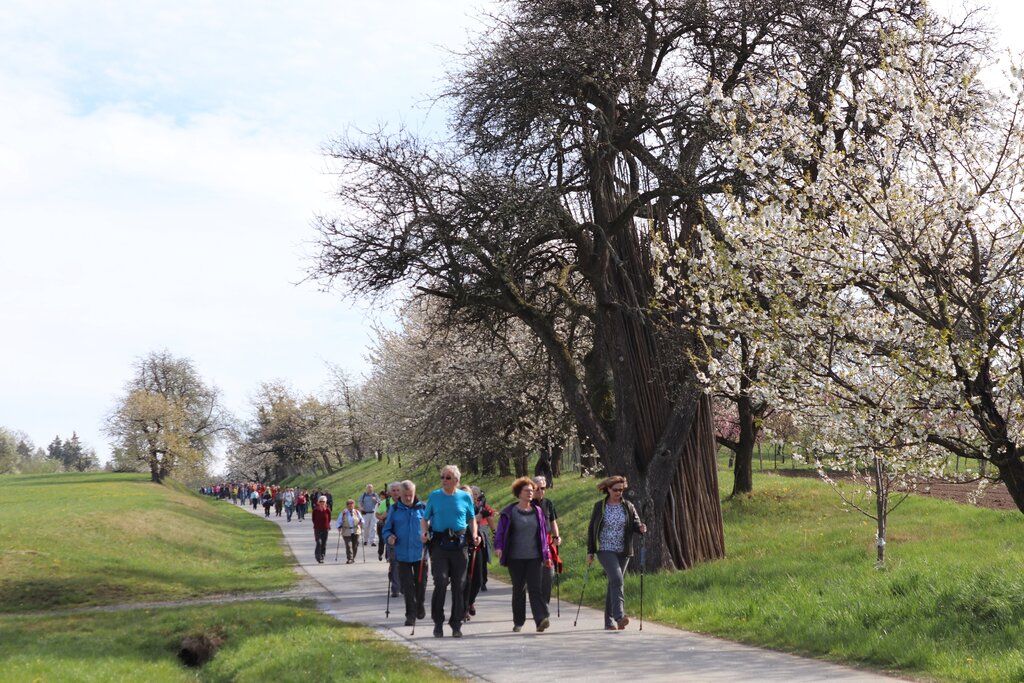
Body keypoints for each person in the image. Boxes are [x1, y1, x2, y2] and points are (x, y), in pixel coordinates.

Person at [420, 464, 478, 638]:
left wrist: (474, 534)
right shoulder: (435, 496)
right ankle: (438, 622)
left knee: (459, 585)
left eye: (448, 477)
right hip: (439, 543)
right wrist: (424, 532)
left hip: (460, 544)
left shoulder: (465, 497)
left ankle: (456, 623)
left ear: (457, 480)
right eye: (442, 477)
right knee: (441, 580)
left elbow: (472, 519)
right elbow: (425, 519)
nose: (444, 480)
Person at [586, 475, 647, 630]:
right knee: (617, 579)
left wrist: (640, 528)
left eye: (621, 490)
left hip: (624, 550)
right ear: (607, 489)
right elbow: (592, 529)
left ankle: (608, 622)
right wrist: (590, 551)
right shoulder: (599, 506)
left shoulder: (628, 506)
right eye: (615, 490)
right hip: (605, 549)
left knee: (613, 583)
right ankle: (619, 616)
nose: (619, 493)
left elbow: (635, 523)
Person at [493, 477, 552, 633]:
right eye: (527, 490)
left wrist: (547, 555)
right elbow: (500, 532)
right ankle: (518, 621)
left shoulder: (538, 511)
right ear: (519, 493)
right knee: (518, 589)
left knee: (535, 588)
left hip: (534, 557)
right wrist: (499, 547)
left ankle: (541, 619)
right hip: (515, 558)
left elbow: (543, 535)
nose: (530, 493)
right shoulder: (509, 512)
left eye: (532, 491)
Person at [382, 480, 428, 626]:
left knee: (421, 584)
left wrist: (429, 535)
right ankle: (410, 615)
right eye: (405, 495)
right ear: (400, 494)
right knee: (407, 587)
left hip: (420, 554)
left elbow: (432, 526)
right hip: (402, 555)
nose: (408, 498)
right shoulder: (394, 510)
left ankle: (420, 604)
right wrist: (389, 537)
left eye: (411, 495)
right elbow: (386, 529)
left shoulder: (423, 508)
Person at [532, 476, 561, 605]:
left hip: (547, 542)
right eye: (537, 489)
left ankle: (544, 604)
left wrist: (556, 536)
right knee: (535, 576)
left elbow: (553, 522)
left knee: (549, 575)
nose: (541, 491)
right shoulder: (527, 503)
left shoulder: (548, 503)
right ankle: (537, 603)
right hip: (532, 543)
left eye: (543, 488)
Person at [379, 482, 402, 594]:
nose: (396, 492)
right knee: (394, 562)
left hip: (404, 536)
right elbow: (377, 515)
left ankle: (403, 584)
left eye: (398, 490)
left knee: (403, 562)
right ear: (389, 492)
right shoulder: (385, 503)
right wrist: (383, 516)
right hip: (390, 536)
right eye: (393, 490)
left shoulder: (406, 501)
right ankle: (395, 588)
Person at [312, 496, 332, 564]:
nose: (322, 503)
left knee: (324, 543)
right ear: (318, 502)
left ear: (325, 502)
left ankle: (322, 556)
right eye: (320, 501)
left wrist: (327, 525)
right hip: (317, 528)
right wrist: (316, 525)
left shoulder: (327, 510)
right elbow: (313, 519)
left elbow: (329, 519)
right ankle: (318, 556)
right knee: (319, 542)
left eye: (323, 502)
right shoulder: (315, 510)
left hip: (325, 528)